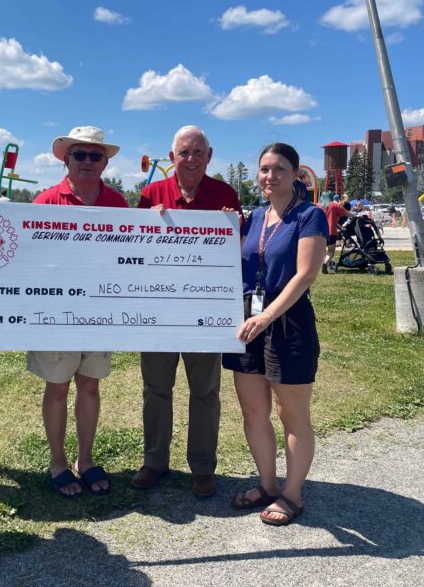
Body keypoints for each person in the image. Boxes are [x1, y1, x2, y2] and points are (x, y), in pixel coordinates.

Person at [133, 126, 243, 499]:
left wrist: (234, 228)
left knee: (206, 392)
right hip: (159, 310)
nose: (191, 159)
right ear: (171, 157)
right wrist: (149, 226)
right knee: (156, 389)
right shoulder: (152, 194)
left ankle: (202, 466)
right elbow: (132, 251)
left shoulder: (225, 195)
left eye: (198, 152)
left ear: (209, 156)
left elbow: (235, 256)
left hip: (204, 312)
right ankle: (155, 461)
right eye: (184, 152)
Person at [222, 143, 327, 526]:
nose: (270, 176)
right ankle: (267, 484)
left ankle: (292, 492)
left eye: (279, 169)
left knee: (292, 415)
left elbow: (305, 275)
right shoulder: (251, 218)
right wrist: (221, 229)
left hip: (288, 324)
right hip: (248, 323)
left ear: (296, 174)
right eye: (264, 169)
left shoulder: (309, 216)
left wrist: (267, 316)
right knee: (253, 411)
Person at [29, 126, 127, 498]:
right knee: (57, 387)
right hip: (56, 312)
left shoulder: (118, 204)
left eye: (94, 155)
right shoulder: (46, 201)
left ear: (104, 162)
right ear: (65, 160)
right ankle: (58, 462)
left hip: (100, 311)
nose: (87, 161)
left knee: (90, 386)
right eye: (79, 155)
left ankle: (85, 460)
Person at [319, 195, 349, 274]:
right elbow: (347, 213)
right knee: (331, 251)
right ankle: (325, 263)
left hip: (319, 232)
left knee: (321, 250)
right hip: (331, 231)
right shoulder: (334, 205)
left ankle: (324, 262)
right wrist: (357, 217)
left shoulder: (318, 205)